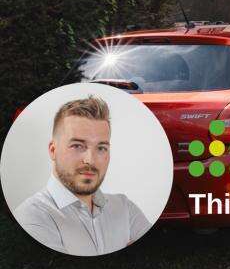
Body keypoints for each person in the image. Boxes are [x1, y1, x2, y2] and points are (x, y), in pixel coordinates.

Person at [14, 95, 150, 255]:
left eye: (101, 148)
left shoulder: (124, 207)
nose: (90, 161)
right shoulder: (32, 216)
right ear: (53, 150)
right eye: (77, 146)